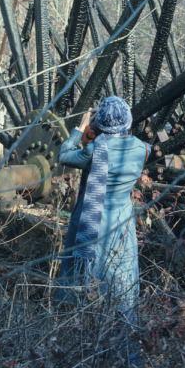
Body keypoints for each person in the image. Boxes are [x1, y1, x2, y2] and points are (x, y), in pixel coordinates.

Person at [56, 96, 149, 326]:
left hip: (90, 218)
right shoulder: (142, 148)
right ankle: (120, 319)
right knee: (121, 269)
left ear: (101, 125)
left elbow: (63, 155)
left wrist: (79, 131)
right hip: (122, 220)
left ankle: (79, 322)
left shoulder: (95, 150)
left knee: (82, 268)